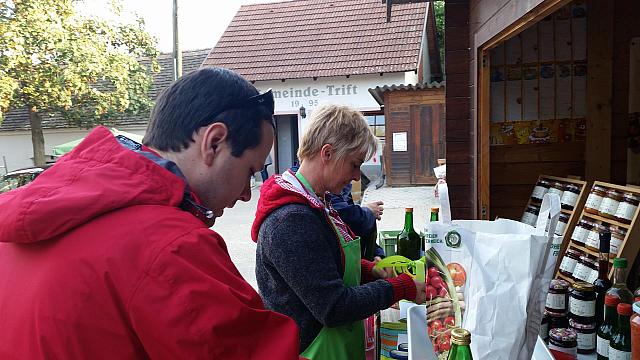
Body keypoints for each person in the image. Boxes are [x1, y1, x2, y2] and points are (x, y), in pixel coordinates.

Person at [0, 68, 301, 359]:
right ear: (214, 142)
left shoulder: (25, 221)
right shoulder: (170, 246)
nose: (247, 193)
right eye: (250, 171)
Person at [251, 104, 426, 359]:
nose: (356, 177)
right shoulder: (291, 221)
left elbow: (323, 266)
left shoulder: (318, 201)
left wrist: (369, 270)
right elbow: (334, 307)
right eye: (354, 164)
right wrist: (401, 288)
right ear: (328, 153)